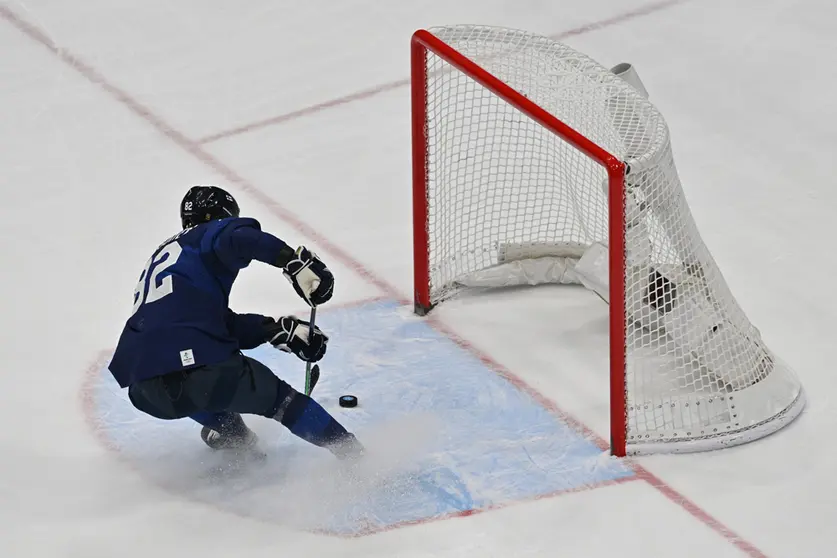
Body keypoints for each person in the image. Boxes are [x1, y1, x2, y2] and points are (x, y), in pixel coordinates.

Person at [107, 185, 364, 459]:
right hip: (201, 373)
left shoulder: (171, 258)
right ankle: (355, 456)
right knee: (281, 401)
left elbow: (209, 326)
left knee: (193, 377)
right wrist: (293, 261)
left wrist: (275, 330)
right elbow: (240, 238)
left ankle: (235, 436)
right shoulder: (209, 234)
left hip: (144, 389)